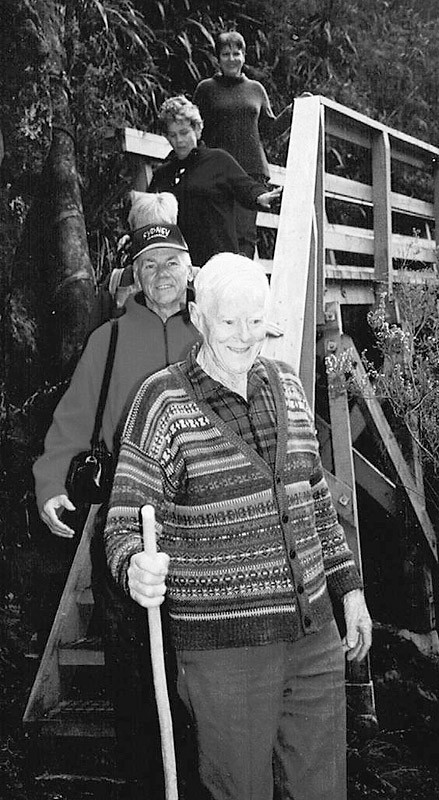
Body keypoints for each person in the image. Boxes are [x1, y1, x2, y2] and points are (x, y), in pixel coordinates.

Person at [104, 253, 373, 800]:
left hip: (313, 636)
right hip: (226, 650)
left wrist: (350, 592)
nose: (245, 336)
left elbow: (315, 499)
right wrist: (134, 564)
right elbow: (125, 518)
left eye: (255, 321)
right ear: (199, 317)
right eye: (229, 322)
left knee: (322, 788)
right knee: (239, 790)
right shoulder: (161, 400)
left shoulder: (290, 387)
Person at [33, 213, 201, 799]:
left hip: (198, 521)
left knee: (195, 665)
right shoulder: (106, 341)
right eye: (148, 265)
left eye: (170, 263)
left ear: (189, 269)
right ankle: (145, 782)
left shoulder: (211, 334)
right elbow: (71, 424)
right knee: (132, 670)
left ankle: (202, 778)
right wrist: (52, 481)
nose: (161, 275)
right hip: (123, 524)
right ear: (134, 275)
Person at [193, 30, 294, 258]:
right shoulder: (206, 89)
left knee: (245, 236)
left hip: (250, 173)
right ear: (217, 59)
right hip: (216, 172)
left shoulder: (256, 89)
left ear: (244, 56)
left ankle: (243, 289)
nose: (231, 59)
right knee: (217, 235)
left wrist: (292, 111)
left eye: (236, 53)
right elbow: (195, 129)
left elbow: (268, 130)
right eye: (225, 54)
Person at [148, 95, 282, 266]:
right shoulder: (163, 174)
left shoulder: (218, 160)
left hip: (219, 264)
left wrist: (261, 197)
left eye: (184, 132)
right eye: (172, 135)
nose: (179, 141)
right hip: (181, 266)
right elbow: (148, 214)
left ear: (197, 130)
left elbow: (246, 187)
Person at [89, 190, 179, 330]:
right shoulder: (116, 282)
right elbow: (95, 341)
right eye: (145, 233)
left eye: (159, 231)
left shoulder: (194, 280)